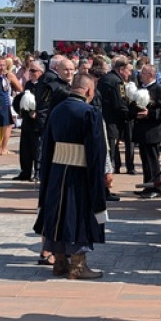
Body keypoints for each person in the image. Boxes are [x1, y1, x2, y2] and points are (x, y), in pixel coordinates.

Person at [38, 74, 109, 279]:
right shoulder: (90, 112)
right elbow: (96, 151)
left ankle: (60, 261)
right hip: (80, 171)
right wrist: (99, 177)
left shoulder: (57, 110)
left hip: (57, 170)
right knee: (78, 215)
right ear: (88, 90)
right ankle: (78, 266)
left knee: (58, 214)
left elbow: (47, 147)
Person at [132, 64, 161, 198]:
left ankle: (156, 188)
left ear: (151, 75)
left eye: (143, 73)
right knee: (145, 160)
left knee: (153, 160)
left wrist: (149, 113)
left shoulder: (160, 90)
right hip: (142, 130)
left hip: (153, 131)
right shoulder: (141, 88)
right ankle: (147, 186)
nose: (141, 76)